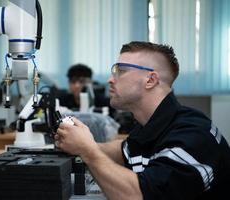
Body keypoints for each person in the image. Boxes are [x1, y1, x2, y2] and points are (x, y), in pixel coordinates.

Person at [55, 41, 230, 200]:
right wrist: (79, 144)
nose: (110, 79)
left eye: (120, 71)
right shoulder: (151, 125)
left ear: (151, 80)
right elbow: (124, 150)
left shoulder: (193, 136)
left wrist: (88, 150)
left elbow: (139, 196)